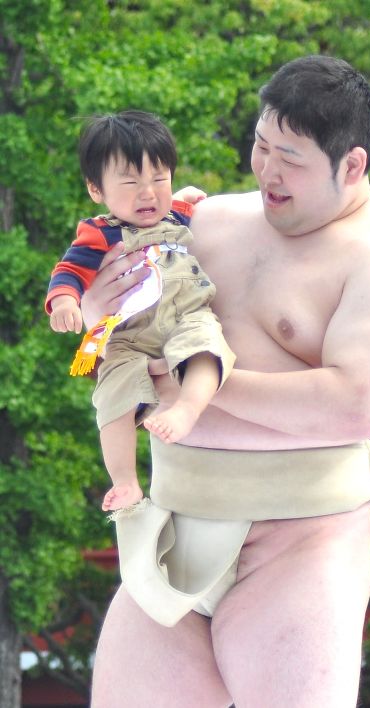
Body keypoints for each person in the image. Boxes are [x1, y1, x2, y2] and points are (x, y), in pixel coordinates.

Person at [84, 55, 370, 707]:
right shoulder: (207, 220)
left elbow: (357, 405)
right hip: (174, 522)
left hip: (299, 543)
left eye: (291, 158)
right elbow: (120, 314)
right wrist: (103, 306)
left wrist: (204, 385)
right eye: (262, 145)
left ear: (351, 165)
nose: (268, 170)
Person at [46, 110, 235, 511]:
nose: (147, 193)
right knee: (111, 395)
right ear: (97, 189)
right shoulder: (99, 232)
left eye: (159, 179)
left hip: (186, 314)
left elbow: (181, 208)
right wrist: (64, 300)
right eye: (131, 182)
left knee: (206, 347)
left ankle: (187, 407)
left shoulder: (173, 215)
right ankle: (126, 481)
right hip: (129, 336)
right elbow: (70, 270)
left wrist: (183, 196)